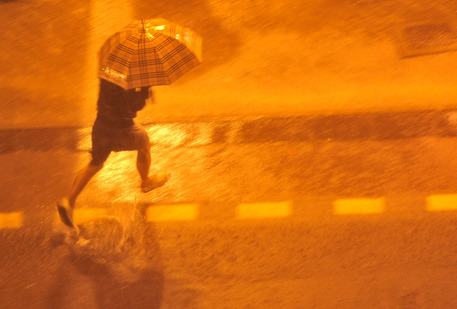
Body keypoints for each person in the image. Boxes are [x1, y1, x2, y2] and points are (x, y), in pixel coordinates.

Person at [57, 78, 169, 228]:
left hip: (101, 125)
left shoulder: (109, 72)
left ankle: (69, 201)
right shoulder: (133, 77)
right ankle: (146, 181)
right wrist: (144, 91)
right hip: (123, 129)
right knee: (145, 144)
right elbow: (133, 106)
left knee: (95, 163)